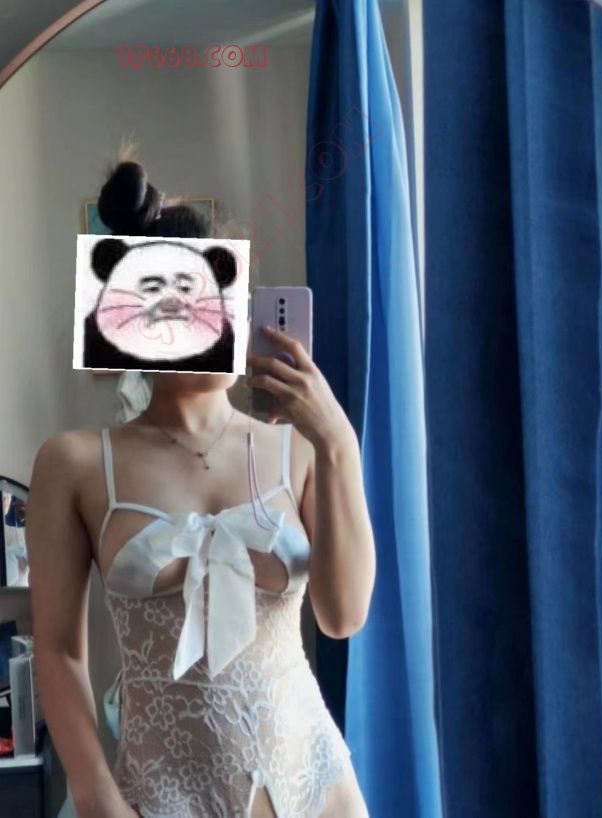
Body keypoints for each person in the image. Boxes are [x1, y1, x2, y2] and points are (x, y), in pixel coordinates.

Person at [25, 153, 376, 818]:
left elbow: (343, 616)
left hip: (315, 784)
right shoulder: (74, 464)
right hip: (158, 797)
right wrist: (96, 796)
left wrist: (338, 442)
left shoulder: (300, 449)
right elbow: (60, 651)